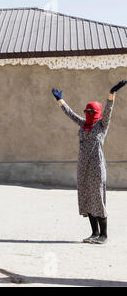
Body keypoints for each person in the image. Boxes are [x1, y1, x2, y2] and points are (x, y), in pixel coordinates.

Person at [51, 80, 126, 245]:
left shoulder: (101, 125)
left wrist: (111, 94)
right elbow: (70, 113)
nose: (88, 114)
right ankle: (94, 233)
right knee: (86, 197)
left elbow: (108, 111)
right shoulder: (83, 124)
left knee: (97, 198)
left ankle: (103, 235)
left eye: (91, 111)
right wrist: (60, 100)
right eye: (87, 111)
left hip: (97, 167)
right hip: (82, 166)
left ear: (97, 113)